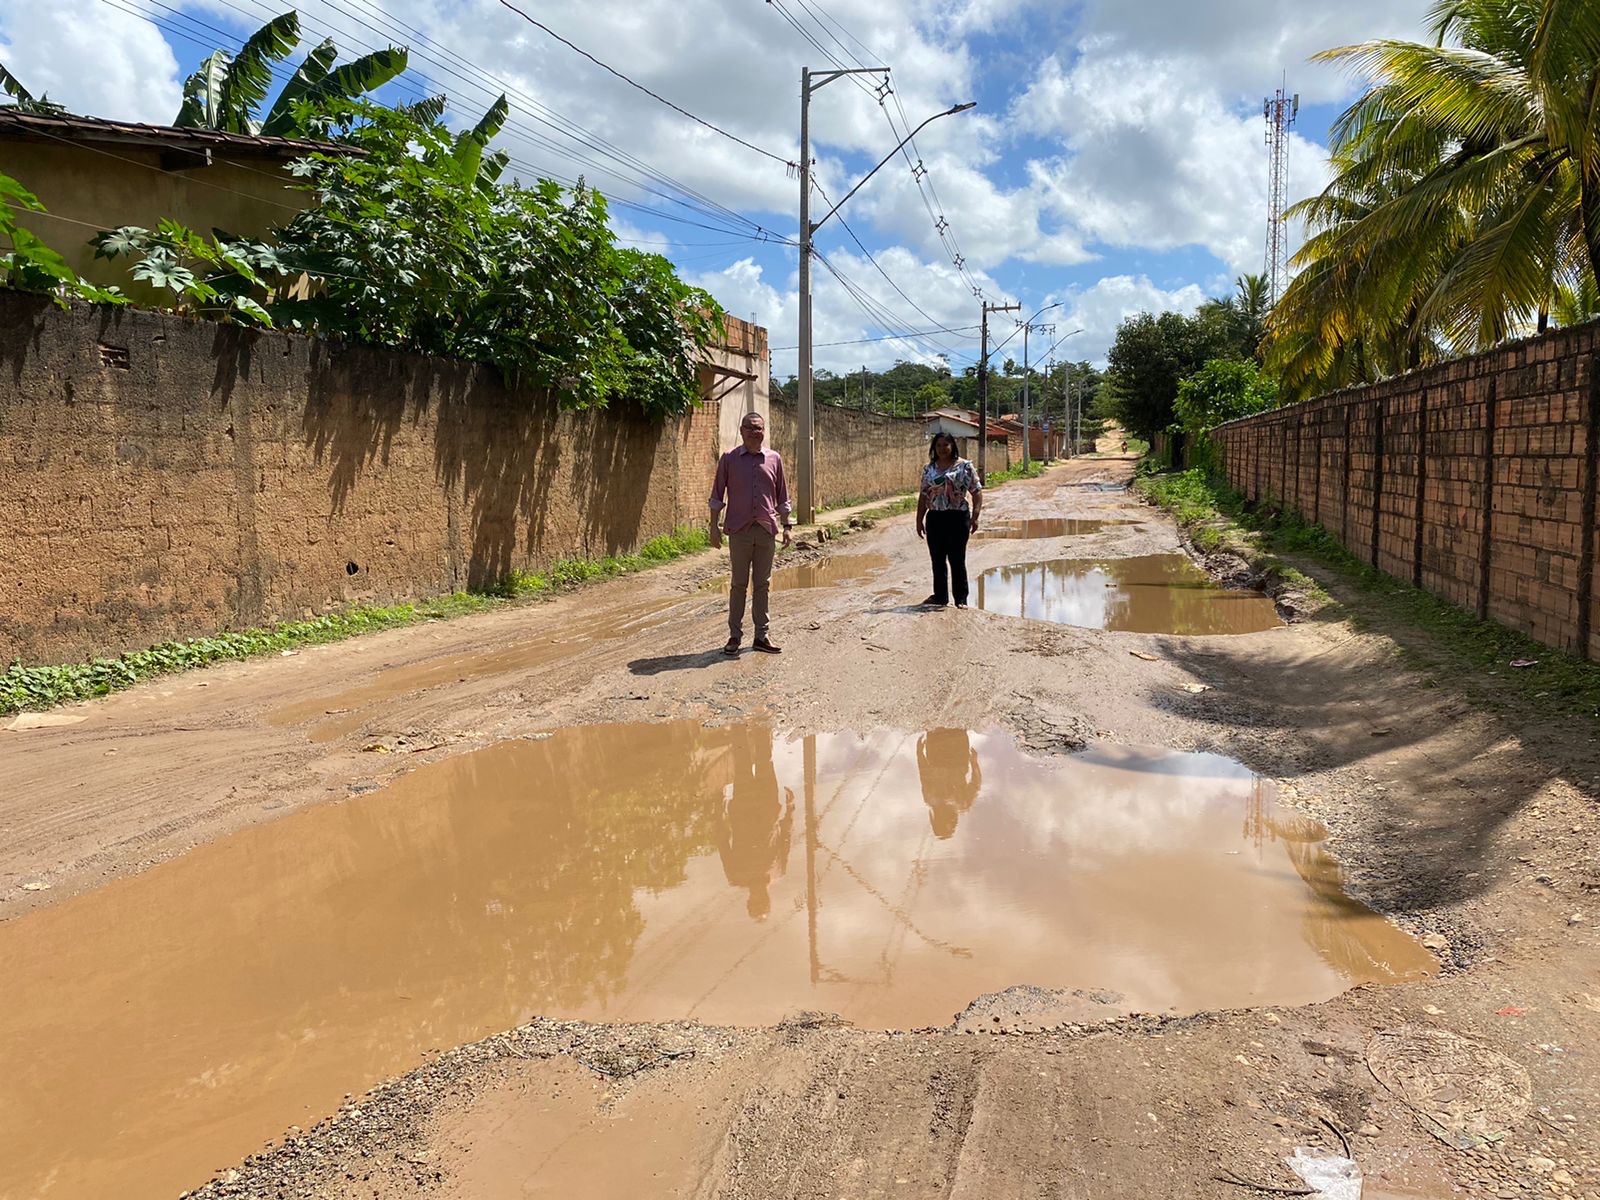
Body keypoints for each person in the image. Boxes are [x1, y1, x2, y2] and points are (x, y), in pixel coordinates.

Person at [709, 411, 793, 655]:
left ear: (764, 431)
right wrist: (713, 527)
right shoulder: (729, 459)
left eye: (759, 428)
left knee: (763, 584)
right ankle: (734, 636)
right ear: (741, 431)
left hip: (766, 531)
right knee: (738, 584)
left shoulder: (774, 459)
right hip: (739, 531)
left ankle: (761, 636)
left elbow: (782, 496)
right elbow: (717, 494)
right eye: (750, 428)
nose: (755, 432)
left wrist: (787, 526)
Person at [916, 432, 982, 607]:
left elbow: (976, 492)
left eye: (946, 445)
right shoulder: (929, 469)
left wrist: (975, 517)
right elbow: (923, 495)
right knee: (937, 559)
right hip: (935, 518)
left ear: (952, 446)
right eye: (938, 445)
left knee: (957, 559)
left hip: (957, 518)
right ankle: (940, 597)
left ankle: (961, 599)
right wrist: (919, 520)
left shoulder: (964, 467)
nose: (942, 449)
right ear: (934, 448)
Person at [916, 728, 982, 839]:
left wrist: (974, 764)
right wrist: (919, 753)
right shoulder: (932, 799)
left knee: (956, 727)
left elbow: (976, 783)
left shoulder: (962, 803)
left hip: (955, 757)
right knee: (944, 726)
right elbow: (924, 773)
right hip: (940, 755)